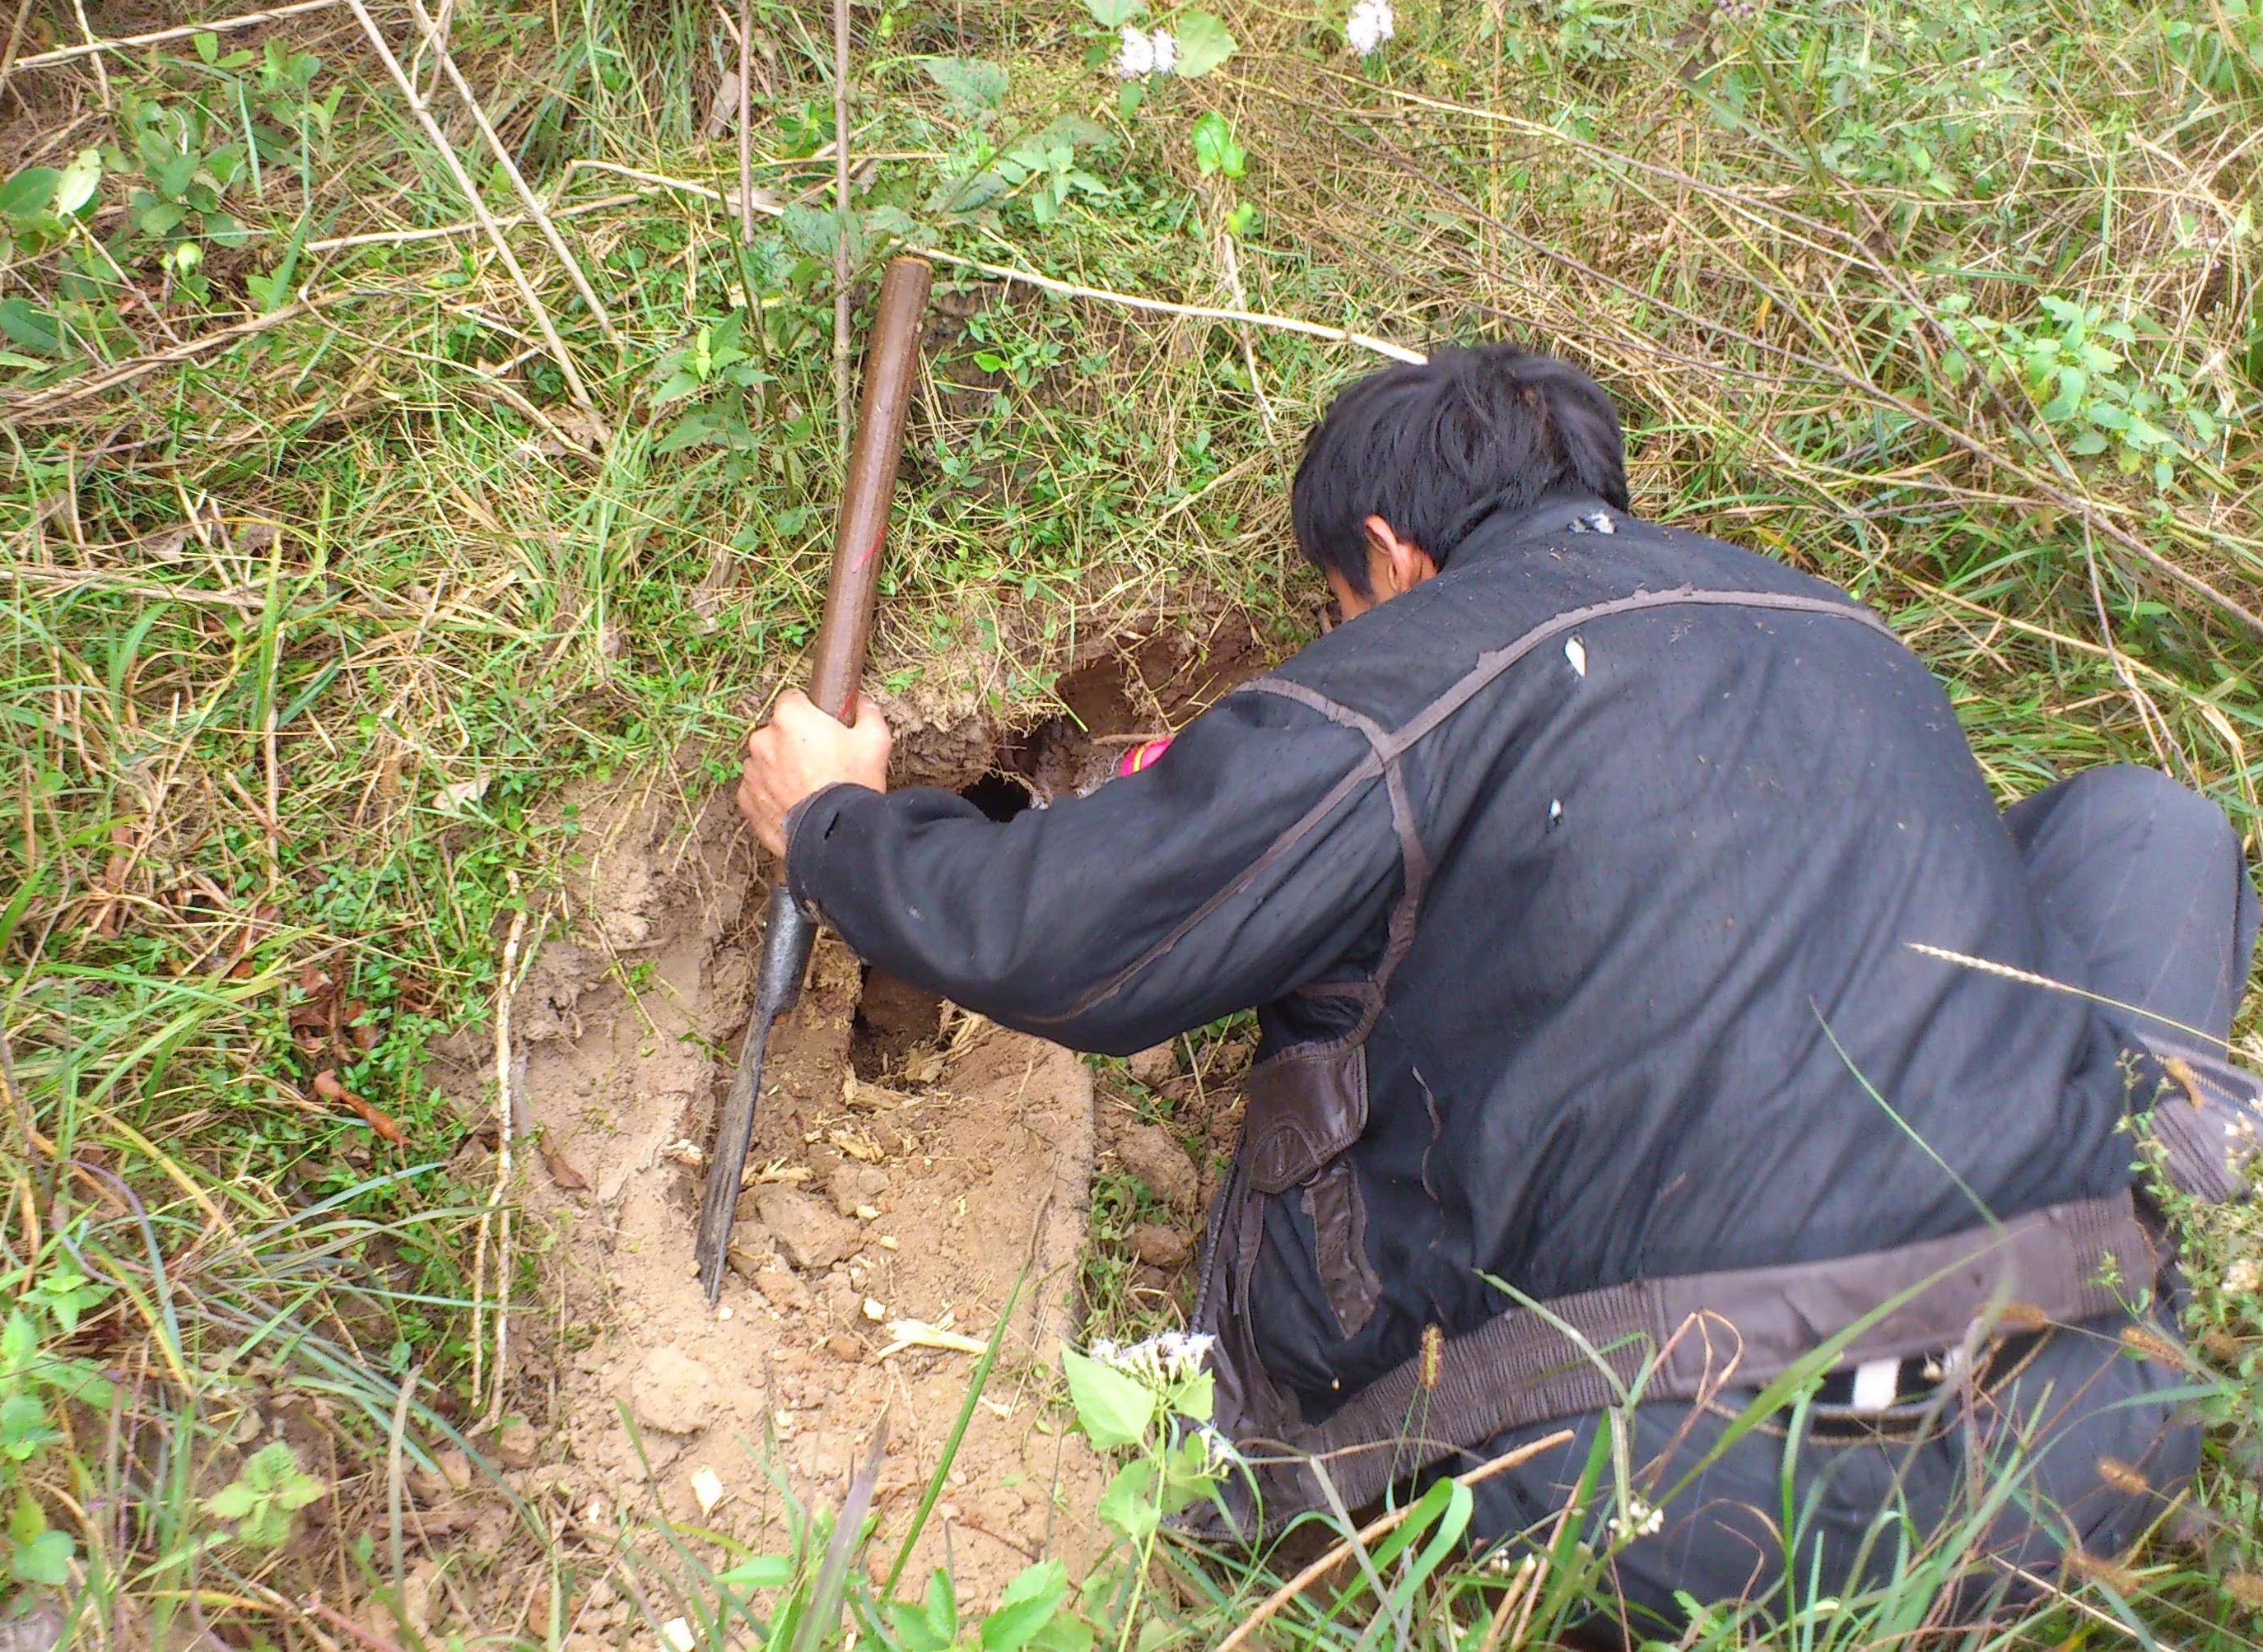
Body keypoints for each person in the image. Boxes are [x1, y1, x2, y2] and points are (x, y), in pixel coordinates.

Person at [734, 343, 2258, 1626]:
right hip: (2094, 1424)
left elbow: (1076, 932)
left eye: (1337, 603)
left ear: (1391, 554)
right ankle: (2162, 1230)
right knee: (2140, 825)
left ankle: (1273, 1465)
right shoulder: (1834, 629)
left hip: (1707, 1485)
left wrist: (838, 824)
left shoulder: (1426, 660)